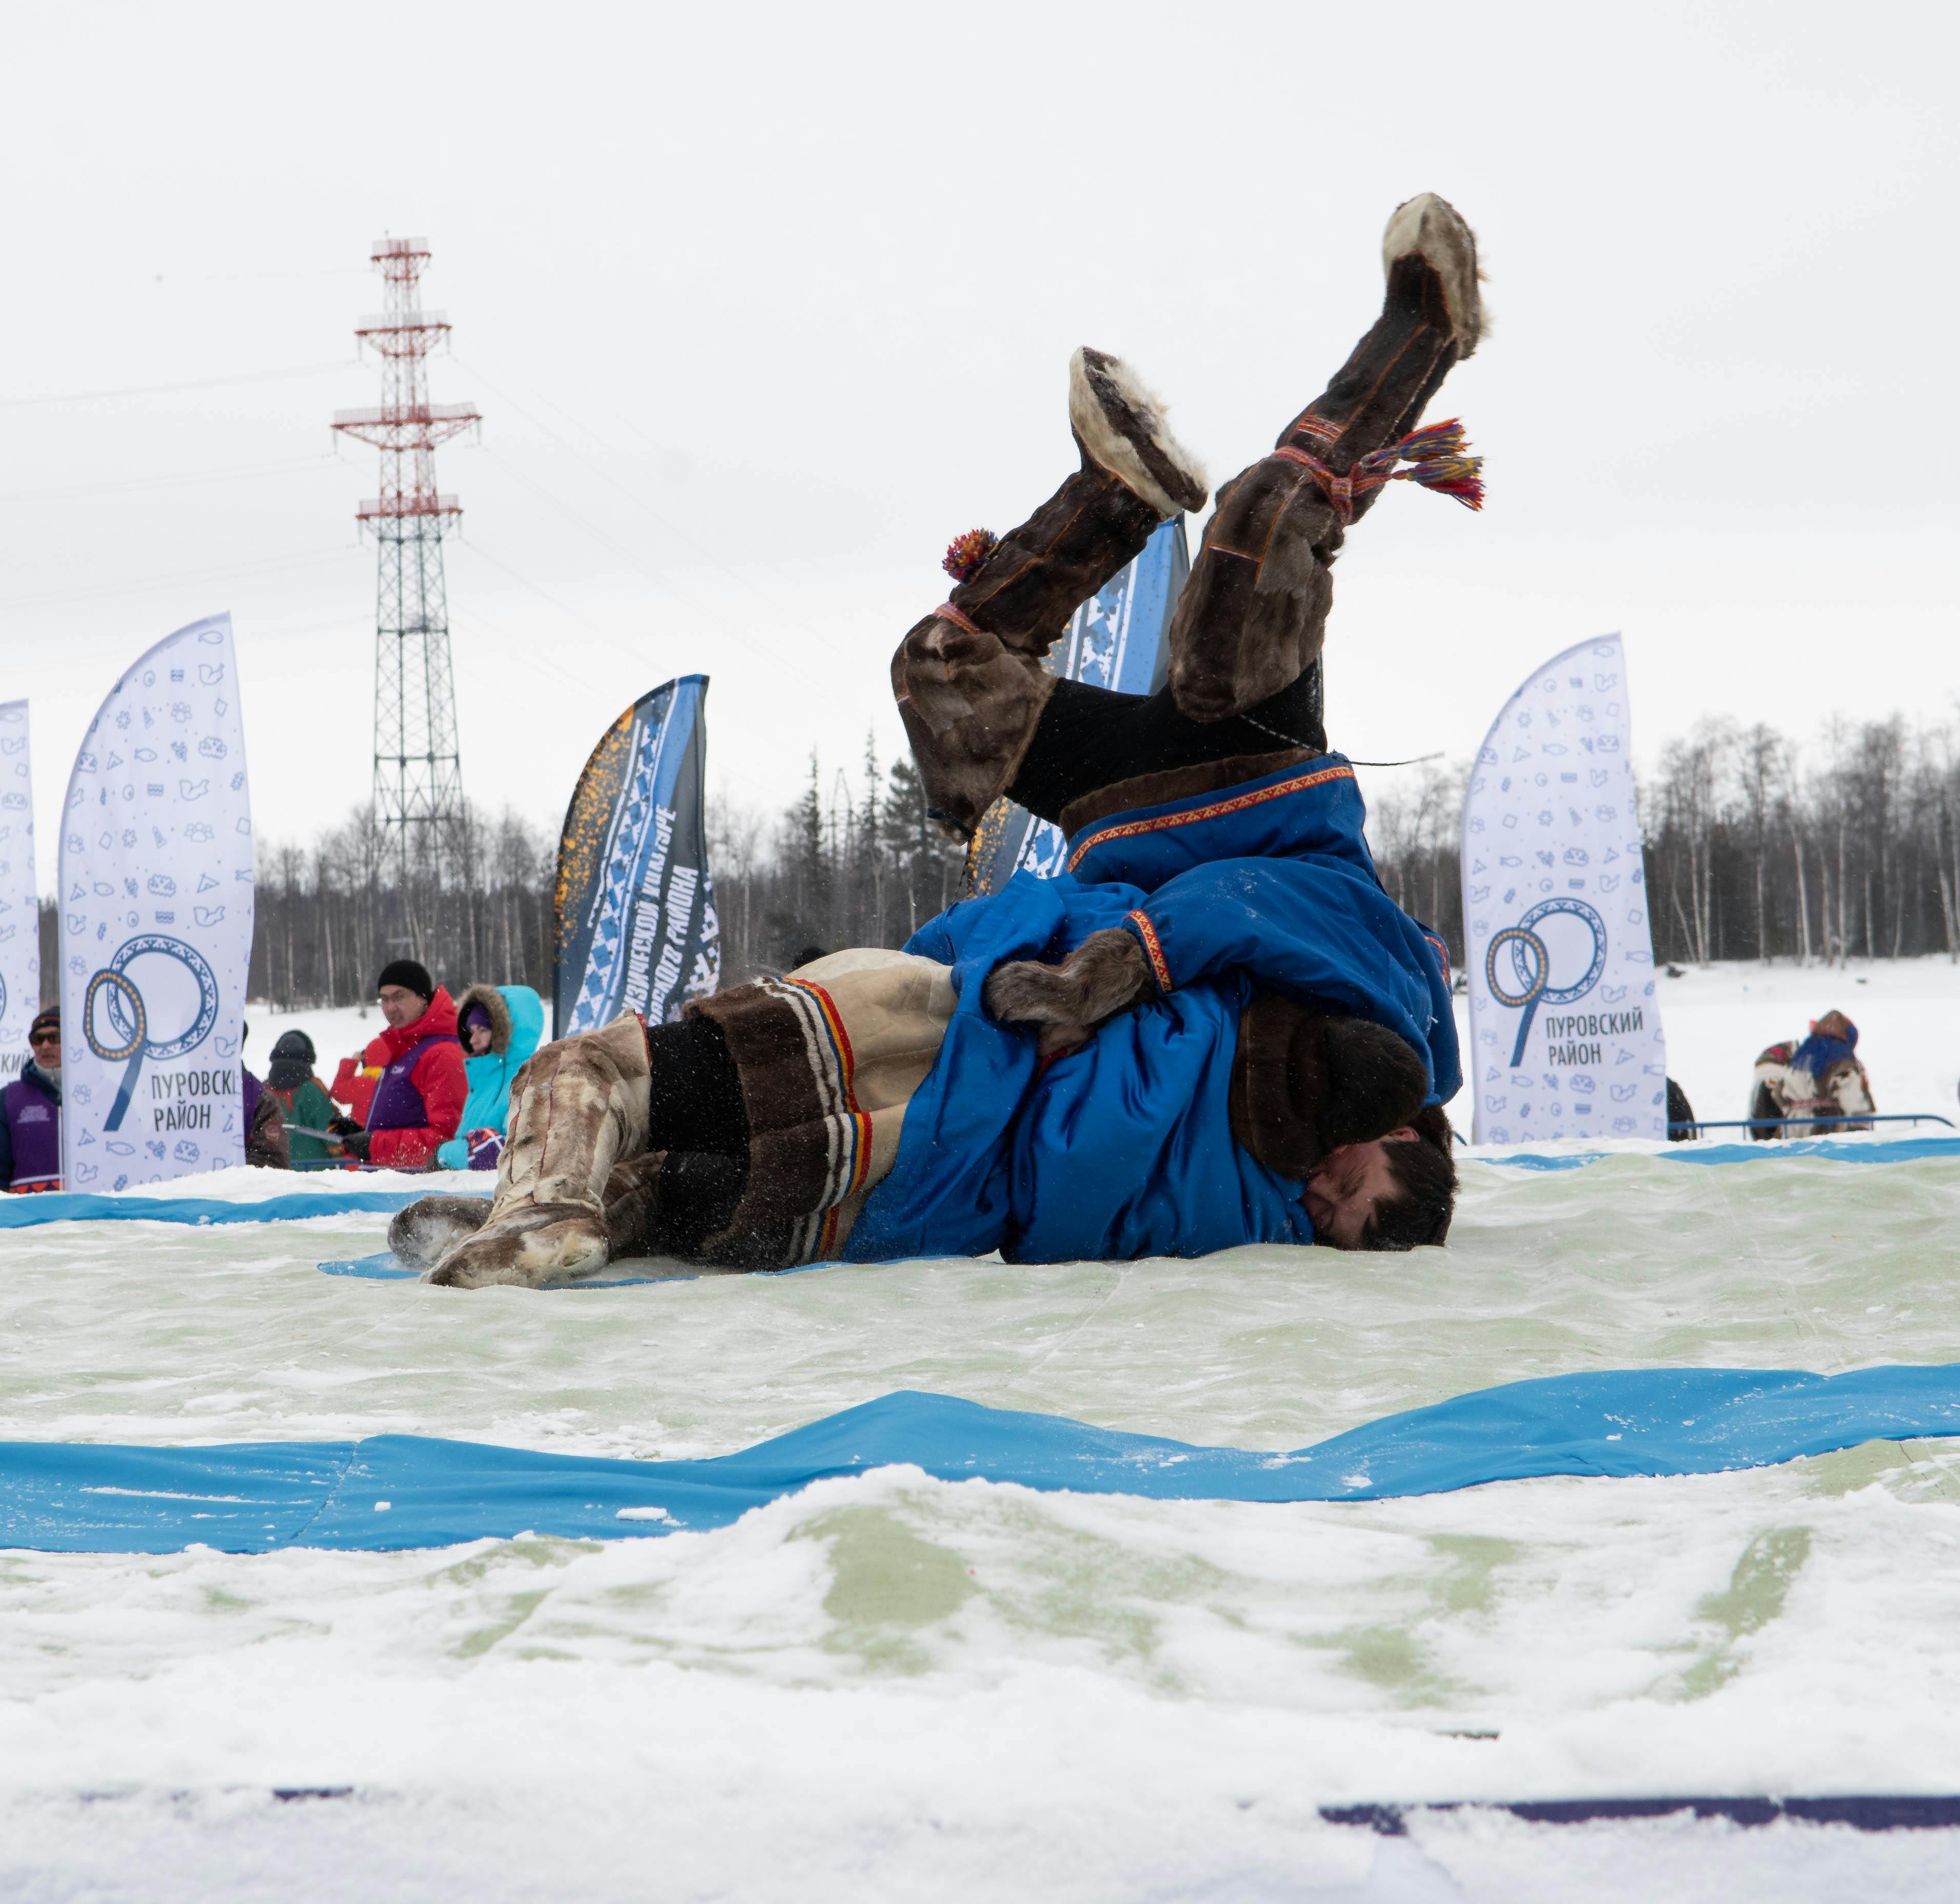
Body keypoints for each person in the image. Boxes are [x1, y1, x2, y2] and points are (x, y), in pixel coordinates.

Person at [398, 192, 1479, 1288]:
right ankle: (1424, 334)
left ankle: (1114, 501)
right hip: (1249, 783)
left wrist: (990, 961)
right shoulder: (1405, 1029)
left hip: (1120, 818)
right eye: (1351, 1186)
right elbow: (1273, 907)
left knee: (940, 676)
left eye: (1327, 1217)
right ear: (1404, 1136)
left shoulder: (1270, 1175)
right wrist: (1120, 968)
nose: (1319, 1189)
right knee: (1258, 527)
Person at [333, 960, 468, 1171]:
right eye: (384, 1000)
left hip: (418, 1191)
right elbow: (405, 1118)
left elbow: (447, 1141)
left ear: (423, 998)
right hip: (394, 1183)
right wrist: (360, 1134)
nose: (390, 1008)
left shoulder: (442, 1053)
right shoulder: (405, 1048)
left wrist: (374, 1145)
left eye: (399, 997)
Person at [435, 984, 546, 1171]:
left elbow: (505, 1153)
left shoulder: (528, 1080)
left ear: (507, 1029)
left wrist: (445, 1153)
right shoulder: (484, 1078)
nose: (473, 1040)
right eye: (471, 1031)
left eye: (483, 1030)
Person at [1749, 1010, 1874, 1139]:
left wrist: (1797, 1109)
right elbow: (1854, 1099)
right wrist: (1861, 1133)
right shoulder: (1841, 1061)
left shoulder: (1799, 1059)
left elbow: (1779, 1094)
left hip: (1792, 1129)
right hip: (1827, 1129)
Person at [0, 1007, 63, 1193]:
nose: (45, 1046)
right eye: (37, 1040)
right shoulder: (7, 1099)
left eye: (54, 1038)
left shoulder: (101, 1096)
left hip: (95, 1218)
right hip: (30, 1219)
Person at [264, 1029, 344, 1169]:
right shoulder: (312, 1089)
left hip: (275, 1172)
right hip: (315, 1172)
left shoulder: (264, 1090)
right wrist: (341, 1155)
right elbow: (328, 1130)